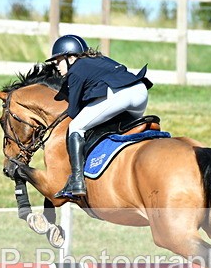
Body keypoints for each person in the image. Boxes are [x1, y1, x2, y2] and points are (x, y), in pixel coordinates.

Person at [47, 35, 153, 199]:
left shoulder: (75, 71)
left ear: (70, 56)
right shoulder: (98, 59)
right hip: (140, 91)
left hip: (121, 95)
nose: (57, 67)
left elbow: (74, 111)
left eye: (58, 61)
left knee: (76, 127)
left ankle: (77, 180)